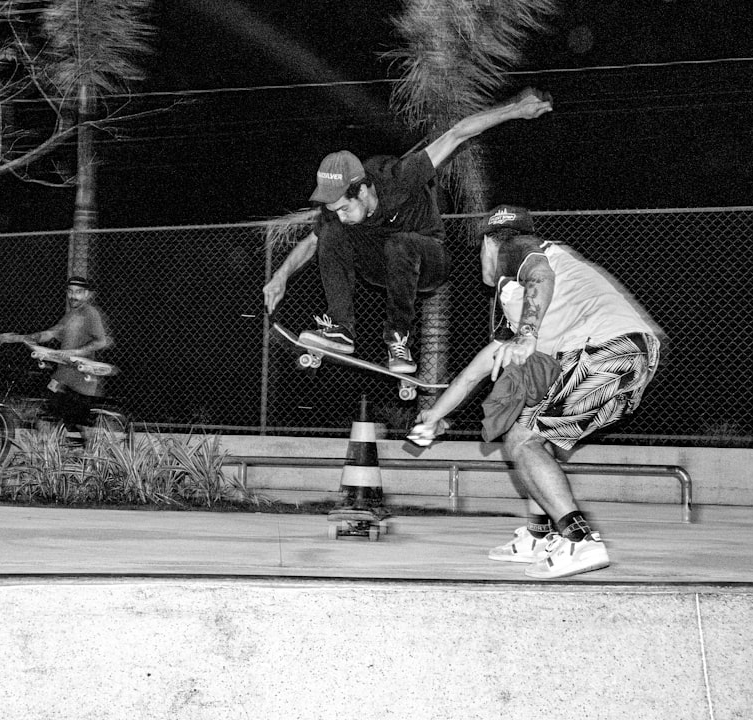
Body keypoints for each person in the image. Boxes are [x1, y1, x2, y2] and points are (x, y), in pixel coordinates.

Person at [409, 205, 664, 579]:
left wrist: (528, 333)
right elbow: (475, 373)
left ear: (487, 244)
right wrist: (435, 415)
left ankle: (579, 540)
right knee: (526, 436)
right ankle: (540, 536)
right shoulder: (515, 297)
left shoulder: (516, 249)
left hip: (607, 349)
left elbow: (539, 273)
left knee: (525, 441)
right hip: (628, 354)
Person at [263, 88, 553, 373]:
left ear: (362, 191)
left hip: (429, 260)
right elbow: (311, 242)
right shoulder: (337, 212)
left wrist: (515, 110)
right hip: (381, 265)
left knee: (399, 244)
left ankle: (398, 340)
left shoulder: (399, 177)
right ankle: (341, 329)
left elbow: (457, 134)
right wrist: (280, 277)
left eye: (344, 208)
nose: (340, 215)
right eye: (335, 209)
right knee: (330, 233)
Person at [0, 276, 113, 431]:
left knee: (68, 424)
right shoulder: (70, 316)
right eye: (70, 291)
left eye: (78, 292)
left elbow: (101, 341)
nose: (73, 296)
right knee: (50, 418)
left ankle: (80, 445)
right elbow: (49, 334)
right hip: (63, 378)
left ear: (87, 294)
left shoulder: (90, 313)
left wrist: (76, 352)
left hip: (80, 382)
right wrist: (17, 338)